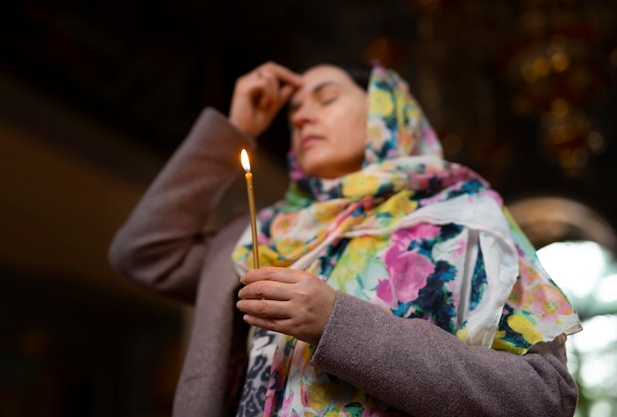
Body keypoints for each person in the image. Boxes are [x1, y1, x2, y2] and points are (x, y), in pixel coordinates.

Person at [108, 60, 582, 417]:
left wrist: (337, 321)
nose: (301, 118)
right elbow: (142, 253)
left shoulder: (465, 219)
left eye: (327, 97)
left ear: (384, 111)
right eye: (293, 111)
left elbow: (545, 396)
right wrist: (236, 129)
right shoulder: (258, 234)